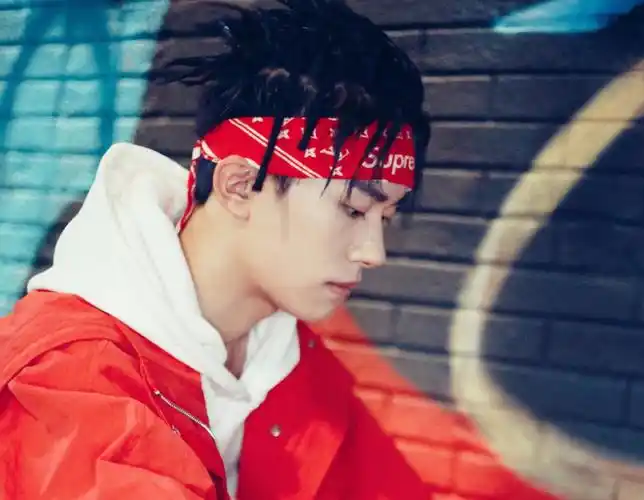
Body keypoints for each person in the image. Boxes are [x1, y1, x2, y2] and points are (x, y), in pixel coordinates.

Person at [0, 0, 433, 498]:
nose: (374, 253)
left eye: (385, 218)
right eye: (354, 210)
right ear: (239, 185)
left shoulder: (287, 360)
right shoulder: (65, 376)